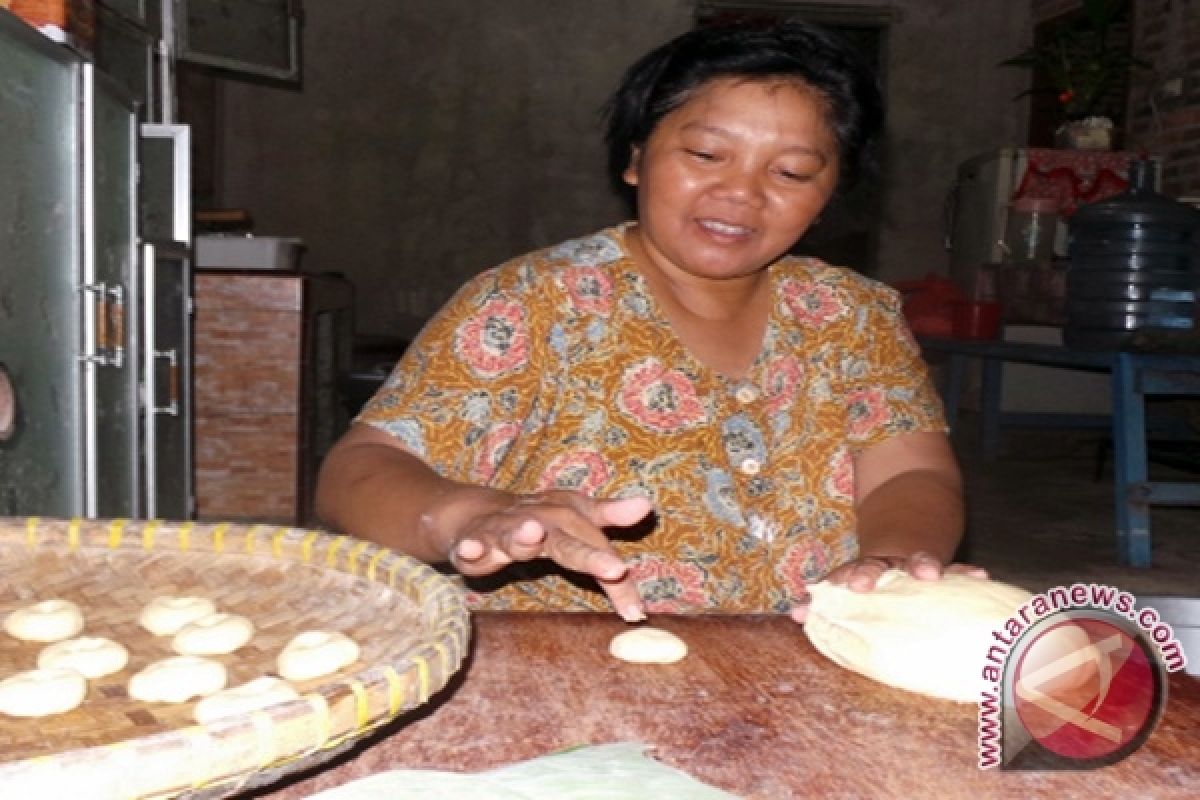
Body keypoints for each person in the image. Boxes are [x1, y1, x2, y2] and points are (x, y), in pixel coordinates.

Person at [315, 18, 982, 623]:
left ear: (828, 195)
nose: (741, 193)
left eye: (791, 171)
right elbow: (359, 471)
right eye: (705, 154)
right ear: (636, 158)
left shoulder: (854, 316)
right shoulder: (533, 302)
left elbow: (909, 473)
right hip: (566, 667)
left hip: (804, 657)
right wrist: (478, 515)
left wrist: (891, 563)